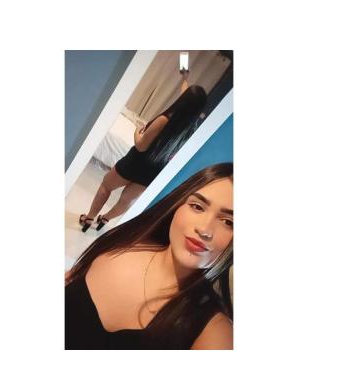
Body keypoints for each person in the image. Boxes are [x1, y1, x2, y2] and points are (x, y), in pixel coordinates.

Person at [66, 163, 233, 350]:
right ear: (178, 205)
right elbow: (71, 279)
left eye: (228, 222)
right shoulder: (122, 243)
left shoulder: (213, 332)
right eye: (197, 206)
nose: (204, 229)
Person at [79, 73, 207, 232]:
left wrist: (137, 131)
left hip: (135, 163)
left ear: (183, 101)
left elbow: (141, 146)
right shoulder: (191, 130)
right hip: (153, 172)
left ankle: (89, 219)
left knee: (106, 186)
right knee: (125, 202)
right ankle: (105, 219)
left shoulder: (164, 120)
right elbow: (187, 95)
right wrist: (184, 78)